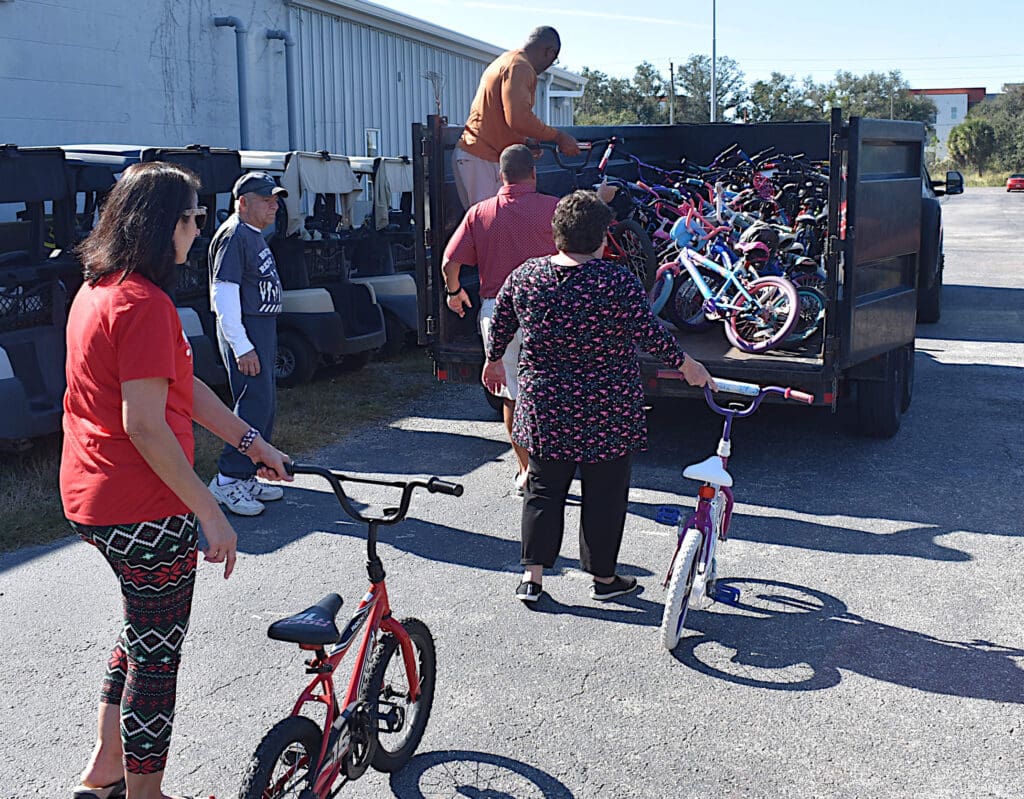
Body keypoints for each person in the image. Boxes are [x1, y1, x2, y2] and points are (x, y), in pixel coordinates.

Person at [61, 161, 292, 799]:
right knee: (158, 658)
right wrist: (209, 511)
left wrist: (253, 442)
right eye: (191, 217)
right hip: (141, 506)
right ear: (165, 224)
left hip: (93, 499)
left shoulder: (99, 289)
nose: (198, 228)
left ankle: (105, 772)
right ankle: (146, 793)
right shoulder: (145, 303)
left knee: (142, 630)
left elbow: (180, 389)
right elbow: (146, 425)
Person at [481, 190, 716, 604]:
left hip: (546, 403)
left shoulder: (526, 276)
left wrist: (494, 359)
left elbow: (502, 321)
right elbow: (649, 333)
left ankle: (532, 579)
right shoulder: (616, 281)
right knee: (604, 493)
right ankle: (604, 579)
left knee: (543, 487)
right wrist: (687, 364)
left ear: (556, 234)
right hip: (608, 405)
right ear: (604, 238)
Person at [443, 145, 617, 494]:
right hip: (551, 308)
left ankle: (527, 473)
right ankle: (561, 469)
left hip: (497, 313)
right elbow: (585, 232)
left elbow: (450, 261)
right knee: (557, 391)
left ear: (499, 175)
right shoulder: (553, 208)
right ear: (533, 174)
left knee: (513, 396)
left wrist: (454, 292)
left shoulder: (480, 213)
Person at [207, 171, 287, 516]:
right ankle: (228, 480)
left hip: (261, 328)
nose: (274, 206)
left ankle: (248, 472)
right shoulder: (234, 234)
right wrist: (241, 344)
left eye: (276, 200)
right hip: (247, 330)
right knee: (252, 403)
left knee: (264, 402)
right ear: (242, 203)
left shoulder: (254, 234)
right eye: (266, 200)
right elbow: (223, 293)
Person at [453, 26, 581, 209]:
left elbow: (503, 117)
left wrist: (523, 141)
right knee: (491, 228)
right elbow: (518, 118)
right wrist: (558, 137)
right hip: (481, 159)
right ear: (549, 52)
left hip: (480, 156)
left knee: (496, 226)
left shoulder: (509, 60)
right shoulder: (520, 67)